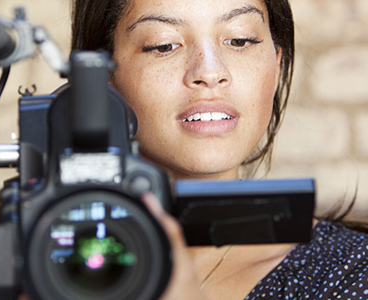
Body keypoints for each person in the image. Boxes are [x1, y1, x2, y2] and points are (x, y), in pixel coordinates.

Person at [70, 0, 368, 299]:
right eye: (164, 46)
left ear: (276, 65)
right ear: (100, 78)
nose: (210, 72)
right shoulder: (44, 259)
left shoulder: (351, 271)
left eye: (240, 40)